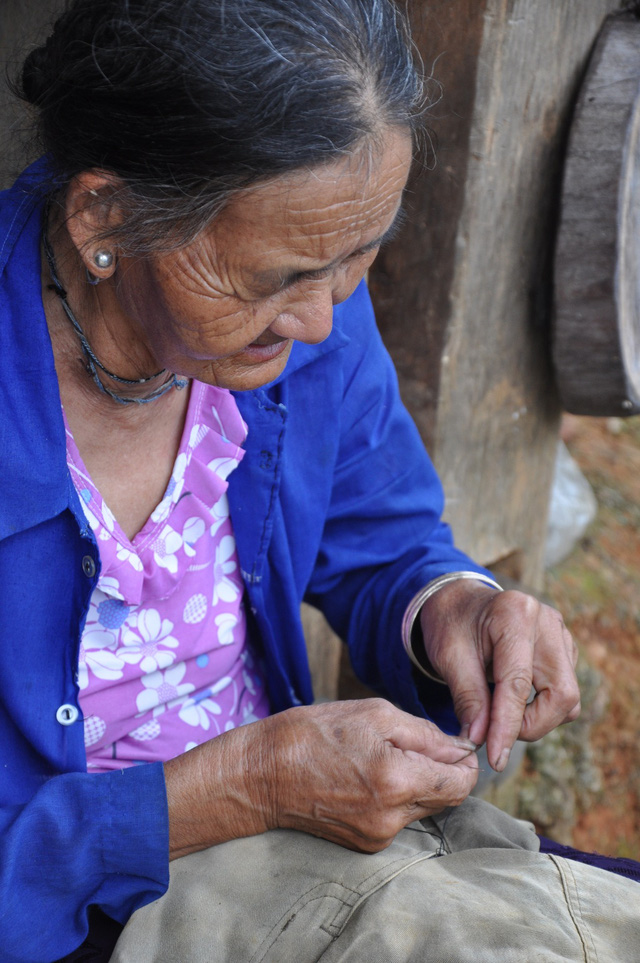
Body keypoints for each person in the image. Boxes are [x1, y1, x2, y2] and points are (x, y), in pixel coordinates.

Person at [1, 2, 636, 961]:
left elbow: (383, 533)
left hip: (302, 840)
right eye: (278, 277)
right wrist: (237, 787)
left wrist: (450, 607)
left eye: (359, 260)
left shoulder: (297, 300)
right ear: (106, 217)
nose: (323, 323)